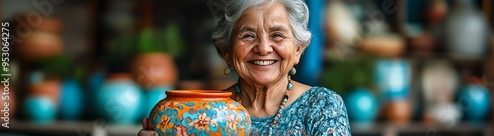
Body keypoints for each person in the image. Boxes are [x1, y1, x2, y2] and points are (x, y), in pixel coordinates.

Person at [139, 0, 351, 135]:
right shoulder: (206, 116)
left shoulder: (322, 106)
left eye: (277, 35)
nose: (263, 48)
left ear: (298, 50)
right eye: (248, 36)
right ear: (226, 52)